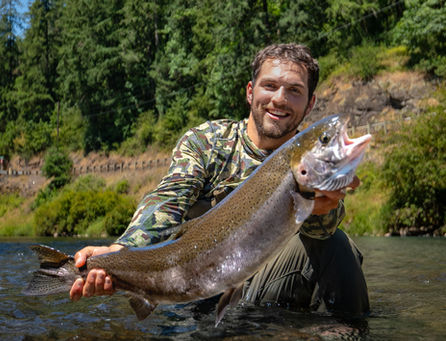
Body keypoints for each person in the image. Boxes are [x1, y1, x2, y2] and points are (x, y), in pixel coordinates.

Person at [70, 43, 369, 315]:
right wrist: (122, 250)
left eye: (294, 90)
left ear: (310, 103)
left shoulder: (309, 163)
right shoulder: (207, 141)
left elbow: (320, 241)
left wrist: (321, 207)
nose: (279, 99)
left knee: (338, 246)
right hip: (195, 296)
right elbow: (168, 200)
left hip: (266, 289)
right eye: (270, 86)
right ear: (250, 92)